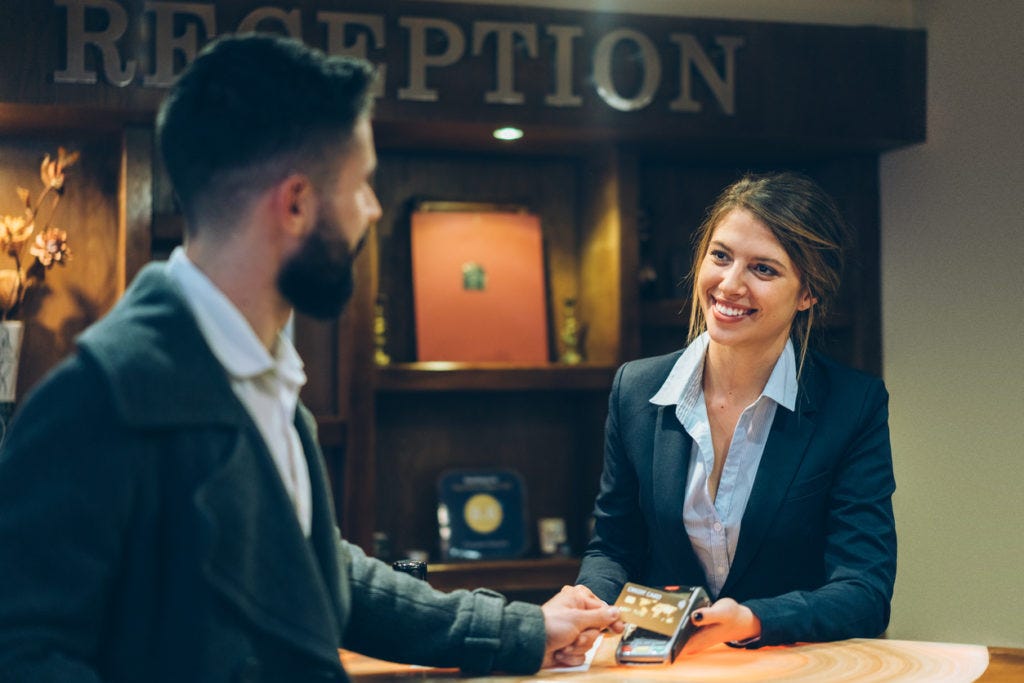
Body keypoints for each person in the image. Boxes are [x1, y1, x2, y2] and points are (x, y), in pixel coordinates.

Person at [0, 34, 621, 682]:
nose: (374, 212)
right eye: (361, 186)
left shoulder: (259, 378)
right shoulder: (96, 401)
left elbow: (319, 571)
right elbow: (21, 653)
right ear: (296, 203)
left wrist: (519, 628)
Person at [576, 172, 896, 653]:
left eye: (763, 270)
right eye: (720, 256)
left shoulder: (853, 405)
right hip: (668, 665)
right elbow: (613, 549)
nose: (729, 285)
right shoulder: (635, 390)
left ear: (808, 294)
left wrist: (754, 618)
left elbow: (865, 591)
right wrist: (586, 600)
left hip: (790, 667)